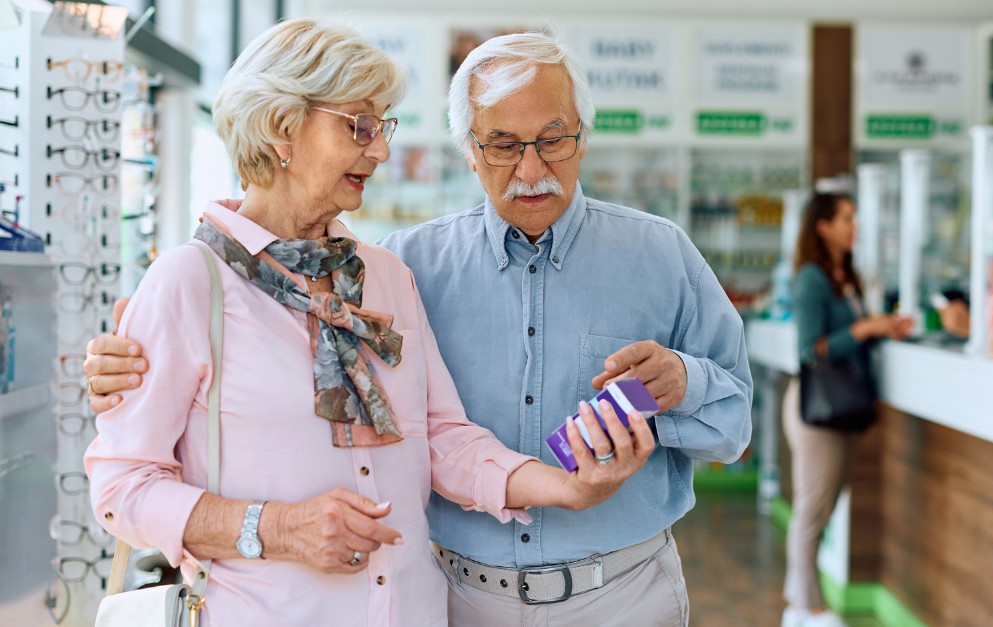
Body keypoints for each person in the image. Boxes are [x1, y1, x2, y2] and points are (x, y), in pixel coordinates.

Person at [85, 31, 752, 626]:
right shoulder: (191, 283)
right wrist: (277, 527)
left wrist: (569, 487)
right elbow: (121, 484)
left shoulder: (382, 277)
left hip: (446, 606)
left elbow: (439, 438)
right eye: (359, 126)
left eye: (552, 139)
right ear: (281, 129)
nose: (379, 148)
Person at [781, 193, 911, 627]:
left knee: (822, 508)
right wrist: (863, 327)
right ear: (823, 226)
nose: (855, 226)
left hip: (843, 408)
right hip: (817, 409)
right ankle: (812, 608)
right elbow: (809, 348)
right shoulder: (811, 280)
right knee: (812, 512)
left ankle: (796, 603)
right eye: (847, 219)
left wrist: (881, 329)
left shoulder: (847, 276)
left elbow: (849, 339)